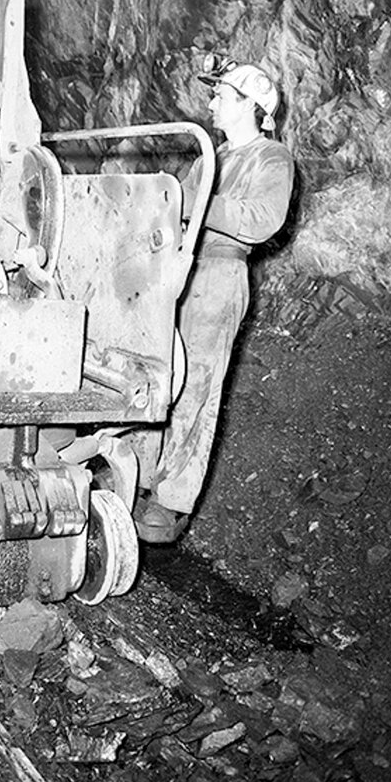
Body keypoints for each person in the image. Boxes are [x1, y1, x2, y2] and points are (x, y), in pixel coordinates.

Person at [132, 55, 295, 543]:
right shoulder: (211, 157)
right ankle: (137, 478)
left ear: (249, 105)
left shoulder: (272, 159)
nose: (212, 102)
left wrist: (198, 206)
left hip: (220, 274)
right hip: (177, 271)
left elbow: (265, 217)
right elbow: (170, 209)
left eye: (221, 95)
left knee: (198, 386)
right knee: (158, 371)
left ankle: (171, 502)